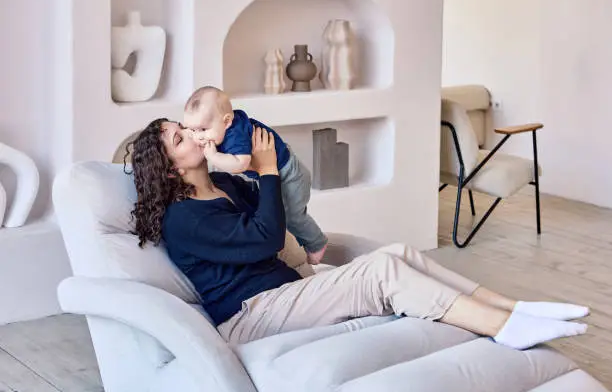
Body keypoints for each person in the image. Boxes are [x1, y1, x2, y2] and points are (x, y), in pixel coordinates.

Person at [126, 117, 590, 348]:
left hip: (285, 292)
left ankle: (512, 305)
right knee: (381, 272)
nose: (192, 132)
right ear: (168, 168)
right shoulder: (183, 218)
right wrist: (265, 172)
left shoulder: (224, 182)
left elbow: (279, 216)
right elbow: (266, 239)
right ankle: (506, 329)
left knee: (399, 251)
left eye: (185, 126)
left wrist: (253, 165)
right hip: (250, 318)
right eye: (180, 137)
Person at [181, 86, 328, 264]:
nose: (198, 138)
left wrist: (214, 156)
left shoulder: (235, 135)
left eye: (203, 130)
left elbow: (240, 164)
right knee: (279, 213)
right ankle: (303, 243)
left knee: (291, 216)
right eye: (192, 130)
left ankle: (317, 244)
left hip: (290, 175)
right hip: (278, 173)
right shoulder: (220, 128)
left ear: (227, 121)